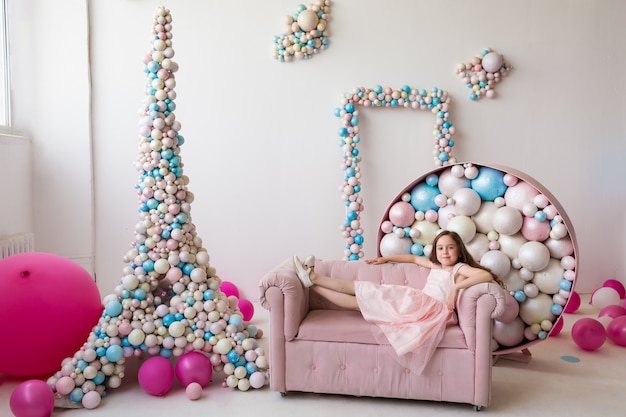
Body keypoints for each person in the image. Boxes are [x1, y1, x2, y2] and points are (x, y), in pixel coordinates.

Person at [292, 230, 502, 374]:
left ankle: (312, 280)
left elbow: (486, 277)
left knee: (359, 300)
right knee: (361, 290)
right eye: (440, 248)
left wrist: (456, 287)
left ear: (459, 250)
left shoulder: (458, 269)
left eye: (450, 248)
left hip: (424, 308)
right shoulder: (435, 265)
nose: (445, 252)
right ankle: (311, 280)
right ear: (435, 251)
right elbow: (412, 259)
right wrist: (385, 259)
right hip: (414, 301)